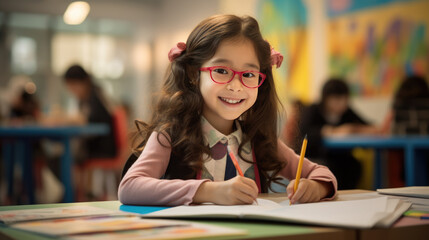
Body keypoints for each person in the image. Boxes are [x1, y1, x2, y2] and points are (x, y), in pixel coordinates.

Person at [118, 14, 337, 206]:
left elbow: (321, 173)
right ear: (195, 74)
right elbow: (129, 187)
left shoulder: (258, 139)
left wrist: (317, 187)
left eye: (249, 74)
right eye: (222, 70)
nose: (236, 85)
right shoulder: (170, 135)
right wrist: (209, 191)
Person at [298, 78, 378, 190]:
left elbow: (368, 126)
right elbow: (305, 132)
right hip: (315, 155)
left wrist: (353, 129)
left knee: (354, 165)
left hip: (340, 156)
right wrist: (332, 131)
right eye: (337, 100)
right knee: (331, 167)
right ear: (325, 99)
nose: (342, 104)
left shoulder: (347, 112)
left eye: (345, 99)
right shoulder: (313, 110)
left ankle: (348, 196)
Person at [62, 65, 117, 160]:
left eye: (74, 85)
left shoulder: (96, 97)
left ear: (84, 82)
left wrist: (75, 121)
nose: (72, 90)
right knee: (64, 156)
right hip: (94, 146)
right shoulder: (86, 98)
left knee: (63, 159)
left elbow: (93, 121)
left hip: (102, 148)